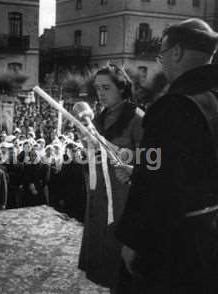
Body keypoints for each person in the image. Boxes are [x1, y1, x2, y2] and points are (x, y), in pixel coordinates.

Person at [115, 18, 218, 294]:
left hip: (174, 241)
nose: (162, 63)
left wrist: (132, 240)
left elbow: (154, 181)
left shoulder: (170, 107)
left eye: (162, 54)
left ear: (177, 52)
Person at [78, 63, 144, 292]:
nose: (101, 93)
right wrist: (85, 147)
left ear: (122, 88)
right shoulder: (98, 119)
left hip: (125, 204)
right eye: (97, 88)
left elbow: (153, 165)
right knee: (107, 269)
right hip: (102, 202)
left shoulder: (137, 119)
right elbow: (91, 161)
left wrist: (130, 169)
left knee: (125, 272)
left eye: (106, 87)